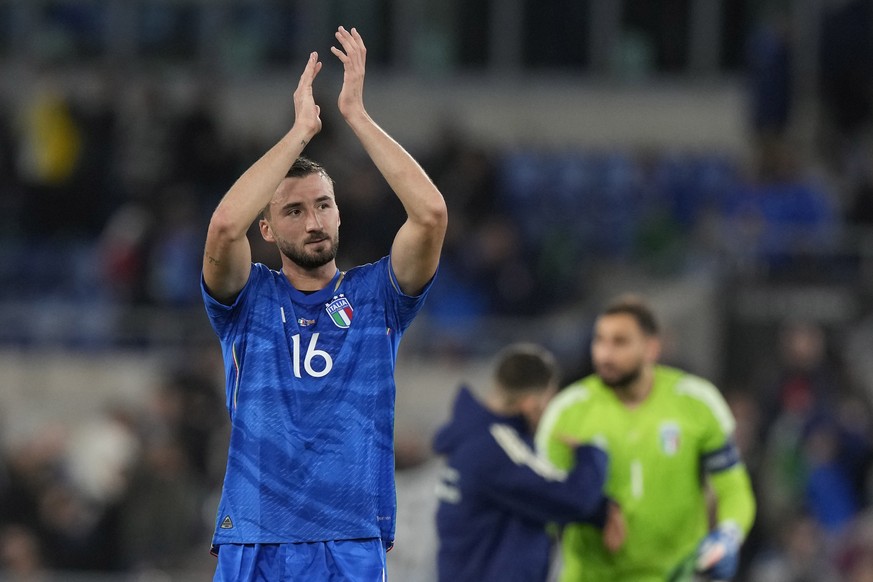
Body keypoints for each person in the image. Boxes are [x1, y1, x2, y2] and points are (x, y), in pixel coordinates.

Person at [200, 27, 447, 581]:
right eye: (293, 211)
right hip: (256, 534)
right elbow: (221, 228)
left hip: (349, 535)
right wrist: (299, 135)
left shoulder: (378, 297)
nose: (313, 221)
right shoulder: (246, 300)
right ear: (265, 228)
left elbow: (430, 216)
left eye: (324, 205)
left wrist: (356, 115)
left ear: (339, 213)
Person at [536, 295, 756, 582]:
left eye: (620, 342)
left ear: (652, 348)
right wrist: (590, 509)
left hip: (676, 575)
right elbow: (540, 508)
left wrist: (728, 536)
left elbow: (733, 489)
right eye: (599, 341)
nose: (604, 354)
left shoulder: (697, 403)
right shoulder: (568, 411)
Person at [434, 343, 625, 582]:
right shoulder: (497, 448)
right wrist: (592, 454)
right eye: (548, 399)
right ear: (530, 402)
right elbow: (573, 499)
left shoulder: (476, 438)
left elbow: (531, 495)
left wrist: (600, 512)